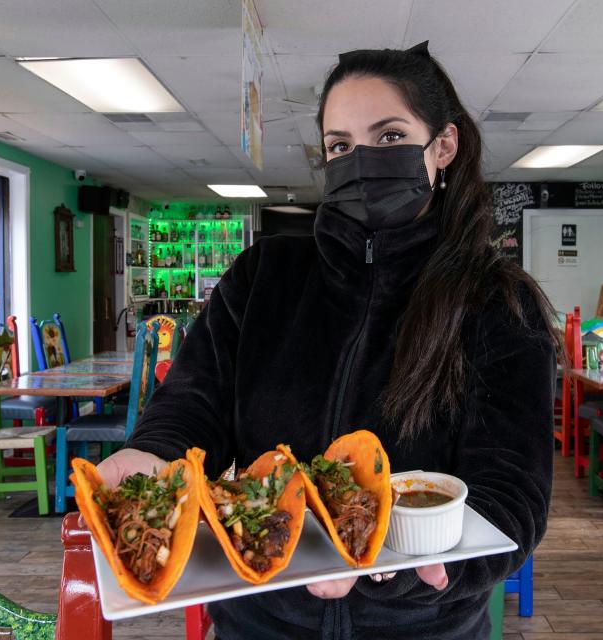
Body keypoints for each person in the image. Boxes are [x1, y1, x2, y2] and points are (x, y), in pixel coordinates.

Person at [98, 41, 558, 640]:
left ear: (442, 146)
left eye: (390, 137)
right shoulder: (262, 275)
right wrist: (151, 458)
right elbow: (193, 404)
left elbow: (511, 490)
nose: (360, 160)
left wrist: (410, 566)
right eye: (340, 145)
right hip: (260, 618)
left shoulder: (499, 303)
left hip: (424, 627)